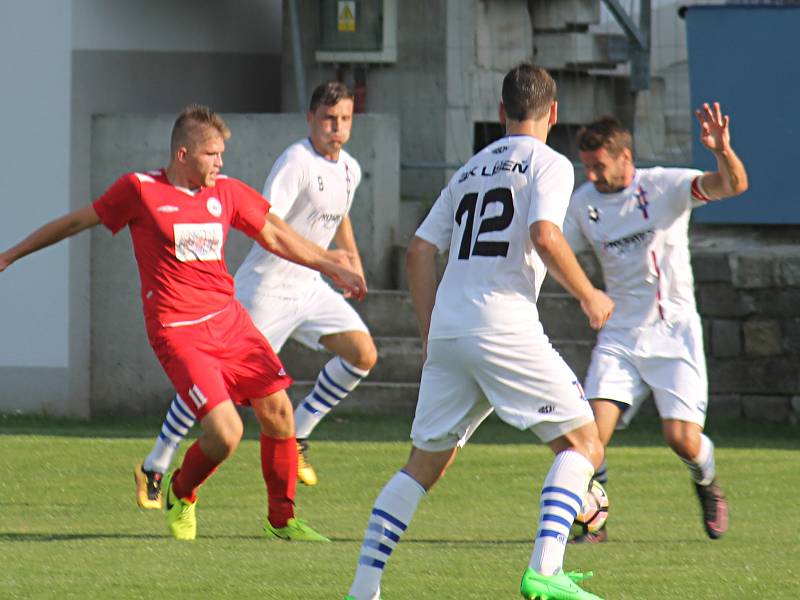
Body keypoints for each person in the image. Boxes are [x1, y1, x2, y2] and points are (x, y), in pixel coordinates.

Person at [0, 104, 367, 542]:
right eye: (212, 153)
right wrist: (10, 255)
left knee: (280, 413)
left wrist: (330, 263)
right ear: (182, 155)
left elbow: (274, 232)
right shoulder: (139, 190)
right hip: (179, 332)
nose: (220, 162)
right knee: (227, 434)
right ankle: (180, 491)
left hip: (230, 323)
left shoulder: (226, 192)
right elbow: (77, 221)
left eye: (220, 153)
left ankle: (282, 521)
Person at [345, 63, 615, 600]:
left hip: (449, 330)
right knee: (587, 443)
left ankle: (363, 588)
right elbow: (543, 233)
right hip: (504, 322)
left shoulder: (468, 170)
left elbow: (420, 251)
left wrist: (429, 332)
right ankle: (546, 569)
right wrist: (589, 293)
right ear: (553, 113)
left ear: (500, 113)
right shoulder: (550, 163)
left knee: (422, 466)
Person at [134, 82, 377, 511]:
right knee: (211, 384)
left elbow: (341, 216)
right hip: (267, 289)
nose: (335, 127)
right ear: (310, 119)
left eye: (344, 119)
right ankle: (158, 460)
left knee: (363, 354)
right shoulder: (296, 162)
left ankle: (300, 431)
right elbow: (270, 225)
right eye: (327, 118)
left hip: (310, 287)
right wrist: (326, 258)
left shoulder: (351, 169)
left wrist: (350, 262)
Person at [564, 105, 748, 543]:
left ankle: (706, 482)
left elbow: (734, 185)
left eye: (599, 166)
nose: (592, 176)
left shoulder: (665, 186)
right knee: (589, 435)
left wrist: (723, 152)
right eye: (586, 167)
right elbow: (557, 251)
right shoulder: (582, 203)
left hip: (674, 331)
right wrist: (587, 294)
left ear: (626, 157)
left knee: (682, 438)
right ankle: (595, 520)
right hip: (621, 335)